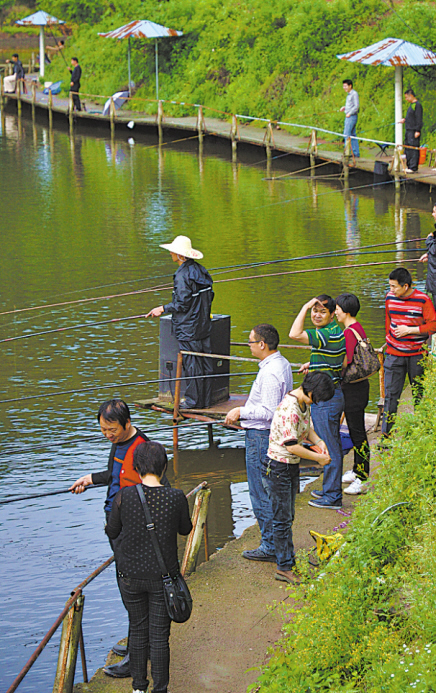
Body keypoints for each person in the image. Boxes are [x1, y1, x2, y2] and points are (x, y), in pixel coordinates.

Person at [70, 399, 162, 679]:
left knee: (133, 591)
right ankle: (136, 641)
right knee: (127, 589)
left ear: (127, 424)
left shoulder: (143, 449)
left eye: (112, 429)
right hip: (117, 525)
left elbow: (158, 490)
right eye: (103, 429)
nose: (107, 434)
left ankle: (137, 657)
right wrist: (89, 479)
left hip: (132, 530)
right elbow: (113, 475)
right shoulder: (119, 442)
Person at [106, 442, 192, 693]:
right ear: (164, 466)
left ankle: (138, 688)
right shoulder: (175, 496)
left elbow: (112, 531)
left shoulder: (124, 496)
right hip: (163, 578)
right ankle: (160, 689)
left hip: (130, 577)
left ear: (136, 467)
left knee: (138, 629)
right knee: (159, 637)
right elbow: (185, 529)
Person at [224, 324, 293, 563]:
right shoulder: (280, 363)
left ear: (262, 344)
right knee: (268, 490)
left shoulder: (272, 372)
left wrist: (239, 411)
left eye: (251, 341)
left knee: (260, 492)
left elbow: (269, 411)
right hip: (265, 436)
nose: (249, 345)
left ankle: (270, 545)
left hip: (261, 438)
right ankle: (274, 541)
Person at [266, 372, 333, 583]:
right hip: (279, 467)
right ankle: (284, 566)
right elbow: (292, 446)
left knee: (288, 516)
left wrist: (320, 442)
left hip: (290, 466)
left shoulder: (304, 402)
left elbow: (307, 428)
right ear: (311, 392)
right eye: (318, 398)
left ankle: (288, 561)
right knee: (282, 519)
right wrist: (317, 459)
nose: (317, 403)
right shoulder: (290, 409)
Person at [289, 295, 346, 509]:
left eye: (322, 311)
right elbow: (335, 358)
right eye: (314, 310)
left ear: (332, 314)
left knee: (329, 446)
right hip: (332, 391)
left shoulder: (324, 334)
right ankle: (329, 489)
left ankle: (332, 497)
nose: (316, 314)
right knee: (330, 443)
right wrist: (312, 365)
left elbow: (294, 334)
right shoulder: (333, 332)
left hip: (326, 398)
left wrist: (304, 306)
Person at [147, 235, 214, 409]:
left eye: (173, 251)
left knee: (191, 363)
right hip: (203, 326)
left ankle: (192, 402)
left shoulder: (182, 275)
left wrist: (162, 308)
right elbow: (208, 296)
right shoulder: (201, 270)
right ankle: (206, 400)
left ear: (179, 255)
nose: (170, 253)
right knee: (205, 362)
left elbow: (182, 303)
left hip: (188, 328)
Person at [382, 267, 436, 437]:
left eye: (394, 286)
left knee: (419, 393)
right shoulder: (389, 298)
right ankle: (387, 435)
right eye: (390, 286)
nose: (391, 290)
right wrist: (389, 339)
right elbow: (388, 320)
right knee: (391, 395)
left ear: (405, 286)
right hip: (394, 354)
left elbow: (433, 326)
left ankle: (422, 431)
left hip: (416, 354)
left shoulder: (422, 300)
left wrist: (410, 330)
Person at [334, 293, 370, 495]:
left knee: (358, 433)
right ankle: (357, 470)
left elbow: (345, 361)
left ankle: (363, 477)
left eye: (337, 308)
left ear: (346, 310)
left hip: (354, 390)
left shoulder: (349, 332)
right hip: (360, 387)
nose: (335, 311)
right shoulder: (357, 328)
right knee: (357, 431)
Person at [399, 89, 423, 173]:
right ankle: (409, 165)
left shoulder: (417, 105)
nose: (406, 99)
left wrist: (417, 130)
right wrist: (405, 120)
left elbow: (419, 118)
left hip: (413, 131)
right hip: (408, 129)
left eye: (406, 97)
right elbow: (411, 116)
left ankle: (413, 167)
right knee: (408, 148)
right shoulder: (411, 105)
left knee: (413, 148)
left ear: (411, 95)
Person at [340, 79, 360, 159]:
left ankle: (347, 152)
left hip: (351, 117)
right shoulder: (349, 95)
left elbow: (356, 106)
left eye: (345, 86)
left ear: (350, 86)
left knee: (346, 134)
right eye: (343, 86)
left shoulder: (354, 94)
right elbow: (351, 105)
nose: (344, 87)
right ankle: (355, 153)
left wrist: (349, 113)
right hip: (349, 116)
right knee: (352, 135)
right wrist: (344, 108)